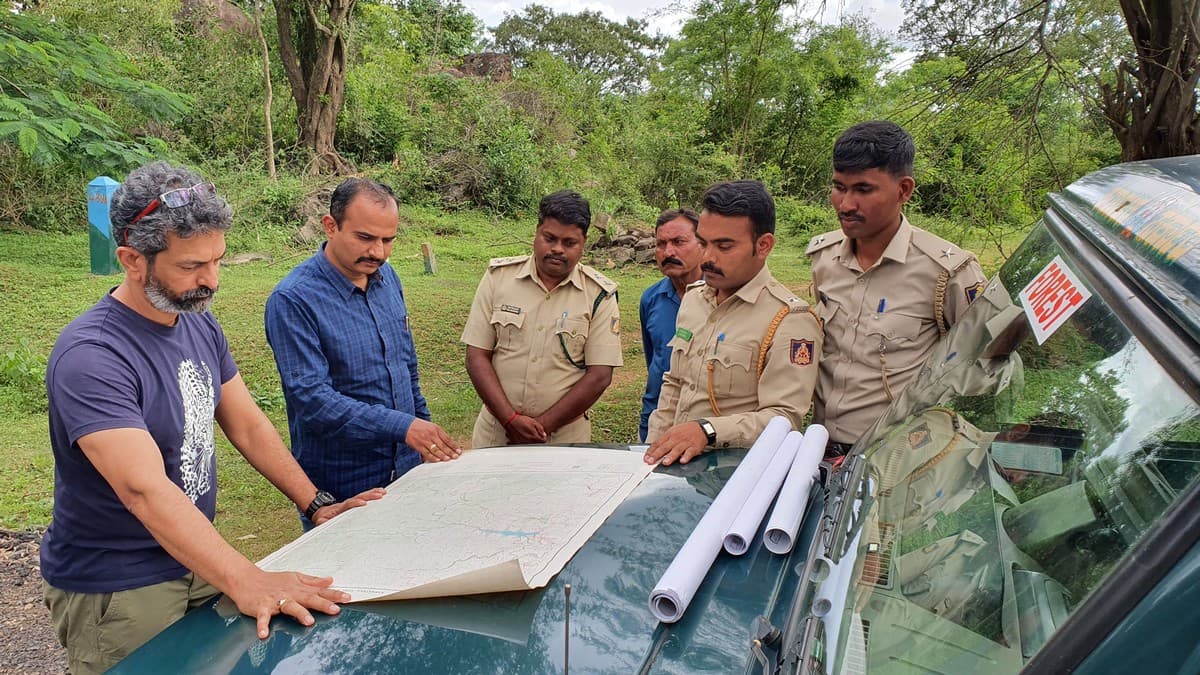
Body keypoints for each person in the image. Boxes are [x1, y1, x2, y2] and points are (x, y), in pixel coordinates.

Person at [41, 161, 382, 674]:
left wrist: (314, 503)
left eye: (218, 261)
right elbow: (143, 490)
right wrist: (246, 578)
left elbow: (246, 423)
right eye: (191, 267)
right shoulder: (93, 355)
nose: (211, 281)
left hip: (196, 555)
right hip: (120, 583)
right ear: (133, 260)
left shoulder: (198, 325)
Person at [265, 178, 460, 527]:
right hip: (344, 488)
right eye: (366, 238)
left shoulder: (389, 280)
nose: (378, 253)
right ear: (330, 226)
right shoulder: (293, 300)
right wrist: (403, 426)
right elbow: (313, 400)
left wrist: (424, 432)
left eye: (389, 240)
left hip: (409, 472)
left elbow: (406, 367)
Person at [808, 120, 988, 457]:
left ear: (904, 190)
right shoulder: (824, 258)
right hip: (820, 449)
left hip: (898, 454)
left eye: (863, 190)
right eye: (839, 187)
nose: (845, 204)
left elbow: (982, 364)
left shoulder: (946, 271)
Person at [644, 180, 822, 465]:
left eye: (724, 246)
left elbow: (784, 418)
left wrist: (708, 431)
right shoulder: (694, 300)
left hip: (736, 476)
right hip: (674, 472)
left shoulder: (790, 321)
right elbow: (675, 383)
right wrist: (652, 448)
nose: (708, 257)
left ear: (763, 246)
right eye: (703, 243)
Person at [462, 190, 622, 447]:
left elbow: (600, 375)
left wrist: (542, 427)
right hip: (496, 433)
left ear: (584, 243)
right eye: (549, 238)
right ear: (536, 233)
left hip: (564, 440)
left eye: (569, 243)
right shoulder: (498, 278)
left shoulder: (599, 295)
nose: (557, 249)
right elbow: (476, 355)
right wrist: (510, 419)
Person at [638, 208, 704, 441]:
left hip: (702, 427)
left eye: (679, 242)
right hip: (656, 420)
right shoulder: (651, 298)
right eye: (661, 244)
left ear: (702, 244)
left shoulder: (720, 297)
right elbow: (654, 359)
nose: (668, 252)